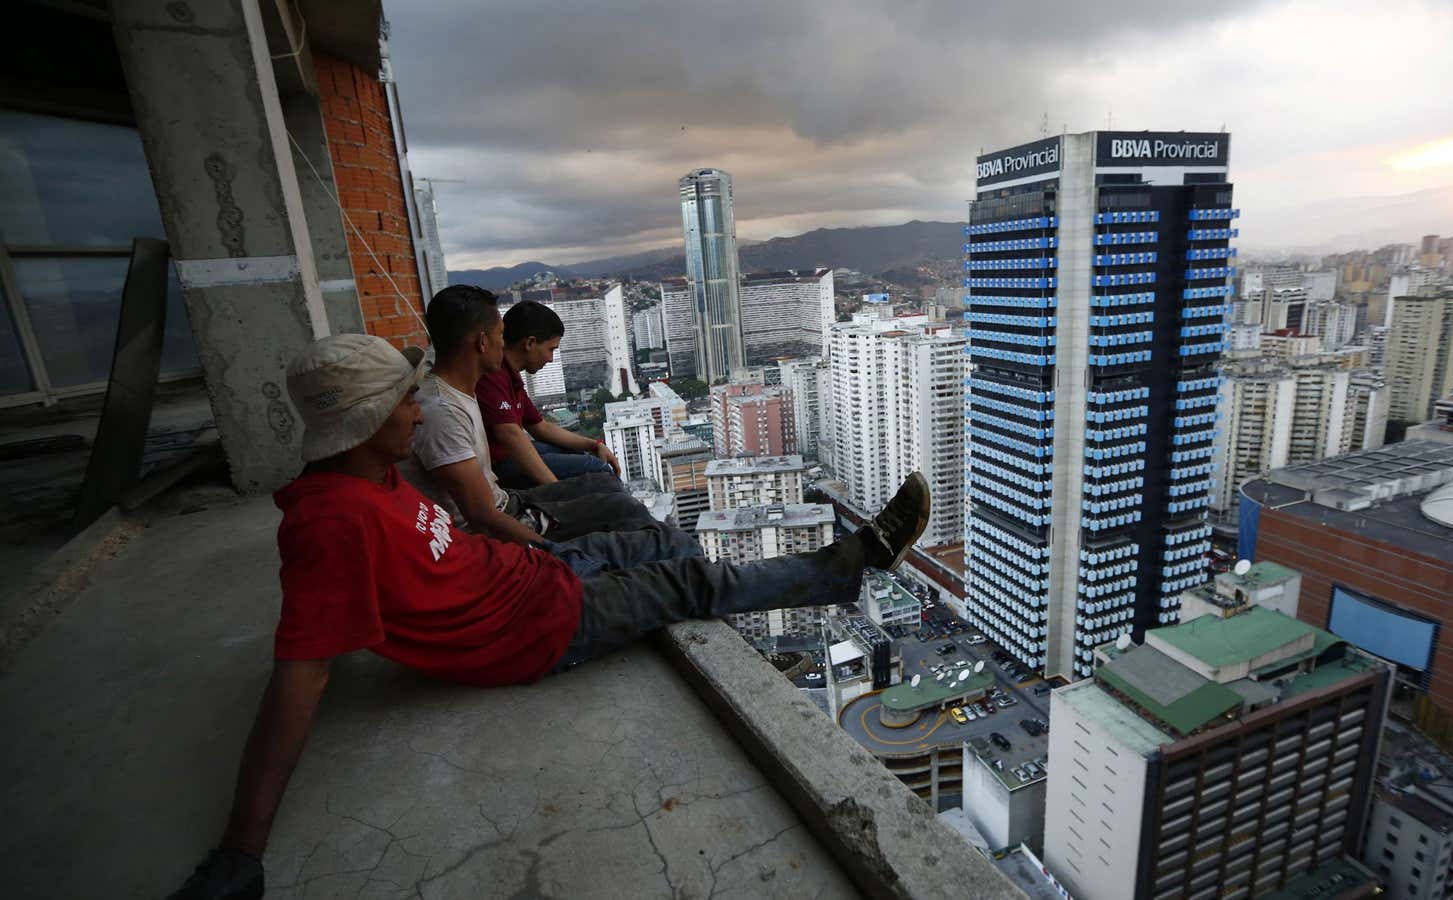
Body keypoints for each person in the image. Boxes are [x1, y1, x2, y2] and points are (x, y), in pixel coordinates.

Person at [166, 333, 931, 899]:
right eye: (404, 399)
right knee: (693, 583)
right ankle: (853, 561)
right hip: (537, 629)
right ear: (365, 420)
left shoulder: (372, 478)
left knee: (653, 539)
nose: (417, 409)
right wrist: (242, 851)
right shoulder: (330, 524)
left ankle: (800, 593)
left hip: (536, 574)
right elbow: (299, 678)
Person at [397, 285, 646, 545]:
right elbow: (484, 514)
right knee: (619, 505)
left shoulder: (466, 389)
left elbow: (539, 426)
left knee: (605, 489)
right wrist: (551, 539)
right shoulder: (443, 410)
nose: (504, 344)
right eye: (501, 335)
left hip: (506, 501)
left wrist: (592, 445)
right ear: (483, 342)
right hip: (504, 513)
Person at [477, 299, 618, 487]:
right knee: (597, 468)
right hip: (499, 465)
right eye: (550, 349)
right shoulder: (494, 375)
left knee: (577, 454)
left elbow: (540, 427)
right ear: (530, 343)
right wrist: (555, 488)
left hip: (508, 457)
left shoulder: (511, 377)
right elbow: (509, 434)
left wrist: (594, 445)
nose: (551, 359)